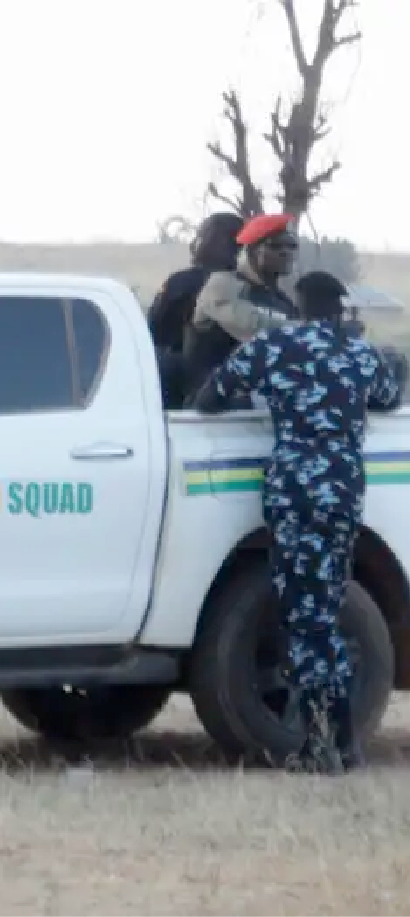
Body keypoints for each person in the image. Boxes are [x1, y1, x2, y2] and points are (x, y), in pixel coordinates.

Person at [195, 269, 403, 773]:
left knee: (305, 618)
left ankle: (319, 746)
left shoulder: (276, 346)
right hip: (344, 492)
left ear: (299, 304)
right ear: (340, 307)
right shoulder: (359, 353)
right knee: (328, 607)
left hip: (297, 493)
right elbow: (390, 395)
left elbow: (209, 397)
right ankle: (345, 742)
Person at [181, 213, 301, 405]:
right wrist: (308, 330)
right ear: (252, 250)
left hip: (265, 404)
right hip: (213, 406)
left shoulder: (284, 301)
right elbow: (250, 326)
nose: (286, 252)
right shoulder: (223, 284)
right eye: (275, 245)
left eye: (292, 245)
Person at [148, 213, 245, 407]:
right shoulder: (248, 286)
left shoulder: (180, 282)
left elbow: (153, 327)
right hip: (234, 385)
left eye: (201, 235)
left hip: (183, 386)